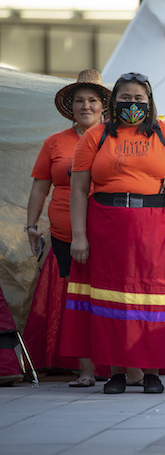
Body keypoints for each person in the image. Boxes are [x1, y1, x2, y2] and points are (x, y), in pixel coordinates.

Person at [62, 72, 165, 394]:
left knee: (153, 299)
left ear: (150, 101)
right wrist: (79, 235)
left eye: (138, 99)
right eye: (125, 98)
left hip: (160, 227)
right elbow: (78, 189)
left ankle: (152, 372)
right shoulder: (96, 136)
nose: (132, 104)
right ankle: (116, 373)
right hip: (105, 228)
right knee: (111, 300)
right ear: (113, 101)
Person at [24, 69, 110, 387]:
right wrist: (31, 225)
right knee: (76, 302)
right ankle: (84, 369)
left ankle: (115, 364)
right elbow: (39, 187)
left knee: (107, 298)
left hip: (107, 231)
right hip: (65, 236)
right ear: (70, 107)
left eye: (92, 100)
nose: (85, 106)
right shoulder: (55, 142)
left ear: (103, 105)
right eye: (79, 100)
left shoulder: (114, 139)